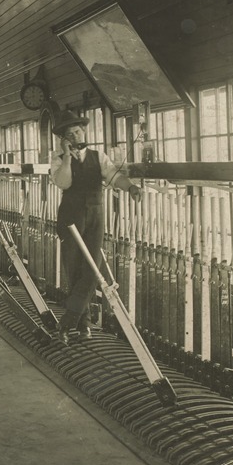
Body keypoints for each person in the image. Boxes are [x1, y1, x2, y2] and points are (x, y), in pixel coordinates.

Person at [50, 106, 141, 342]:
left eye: (78, 132)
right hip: (71, 217)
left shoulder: (98, 157)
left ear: (84, 133)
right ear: (62, 139)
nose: (75, 137)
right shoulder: (57, 159)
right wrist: (67, 156)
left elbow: (114, 176)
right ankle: (83, 326)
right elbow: (64, 183)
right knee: (74, 270)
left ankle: (66, 323)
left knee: (92, 267)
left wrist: (130, 186)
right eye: (69, 134)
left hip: (96, 216)